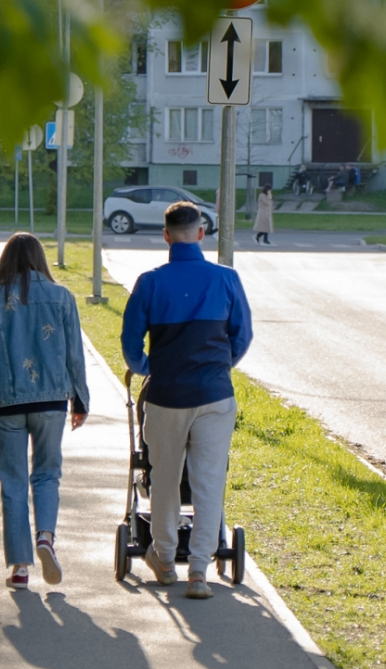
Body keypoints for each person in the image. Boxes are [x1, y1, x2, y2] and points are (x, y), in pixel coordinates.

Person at [120, 202, 253, 599]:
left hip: (165, 397)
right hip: (214, 395)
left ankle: (163, 559)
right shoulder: (226, 279)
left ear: (165, 236)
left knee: (163, 480)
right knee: (208, 481)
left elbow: (130, 346)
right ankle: (199, 571)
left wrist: (148, 367)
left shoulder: (149, 283)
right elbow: (242, 336)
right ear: (201, 233)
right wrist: (217, 366)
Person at [0, 233, 90, 590]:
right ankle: (46, 538)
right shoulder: (63, 297)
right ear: (40, 258)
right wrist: (80, 399)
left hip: (6, 401)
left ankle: (20, 567)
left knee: (13, 481)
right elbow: (74, 354)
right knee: (47, 474)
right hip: (51, 400)